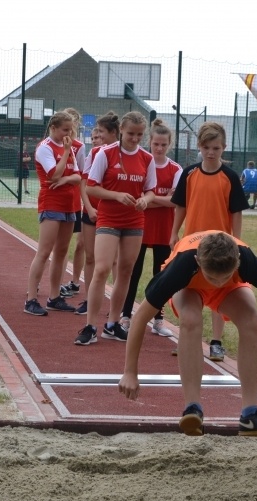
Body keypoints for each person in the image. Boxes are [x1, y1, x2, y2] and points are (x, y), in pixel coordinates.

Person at [118, 231, 257, 436]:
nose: (218, 282)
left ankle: (250, 414)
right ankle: (192, 408)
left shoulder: (247, 260)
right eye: (213, 278)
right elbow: (140, 318)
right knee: (191, 319)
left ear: (237, 262)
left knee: (253, 320)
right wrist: (130, 372)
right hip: (189, 286)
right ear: (199, 262)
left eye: (225, 276)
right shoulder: (182, 265)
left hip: (230, 289)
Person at [75, 111, 156, 345]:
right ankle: (90, 325)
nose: (135, 138)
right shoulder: (105, 154)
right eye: (131, 133)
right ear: (121, 130)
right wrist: (117, 195)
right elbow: (91, 187)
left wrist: (146, 200)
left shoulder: (146, 158)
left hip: (134, 221)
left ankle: (112, 324)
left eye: (140, 135)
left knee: (125, 270)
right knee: (101, 269)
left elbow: (150, 189)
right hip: (109, 218)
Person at [170, 122, 249, 362]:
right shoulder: (189, 174)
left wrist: (237, 241)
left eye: (216, 147)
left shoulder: (230, 177)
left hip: (221, 245)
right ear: (199, 147)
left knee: (219, 289)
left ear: (224, 148)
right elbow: (181, 206)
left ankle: (216, 342)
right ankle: (189, 338)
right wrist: (175, 233)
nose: (211, 152)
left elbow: (236, 211)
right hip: (192, 243)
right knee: (190, 289)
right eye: (206, 147)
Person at [120, 119, 182, 337]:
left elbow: (175, 201)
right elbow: (140, 195)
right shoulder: (142, 163)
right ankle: (125, 316)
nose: (159, 148)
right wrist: (158, 198)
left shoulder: (176, 169)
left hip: (164, 229)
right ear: (150, 141)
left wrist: (151, 199)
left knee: (161, 276)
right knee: (133, 273)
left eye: (164, 145)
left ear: (169, 145)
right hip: (139, 226)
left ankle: (158, 319)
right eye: (156, 144)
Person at [24, 111, 82, 316]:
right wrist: (66, 153)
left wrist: (66, 180)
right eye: (65, 130)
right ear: (54, 128)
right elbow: (53, 174)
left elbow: (77, 176)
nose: (68, 134)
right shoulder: (45, 148)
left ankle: (54, 297)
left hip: (69, 204)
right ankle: (31, 298)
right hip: (51, 203)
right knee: (45, 251)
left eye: (71, 130)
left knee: (61, 252)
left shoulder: (69, 148)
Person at [74, 113, 120, 316]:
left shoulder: (126, 154)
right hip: (92, 212)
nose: (97, 135)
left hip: (114, 214)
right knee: (91, 256)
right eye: (97, 132)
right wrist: (89, 208)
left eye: (101, 132)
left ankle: (116, 306)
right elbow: (84, 184)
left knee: (115, 261)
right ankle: (88, 298)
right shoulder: (95, 153)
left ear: (113, 133)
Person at [59, 108, 86, 300]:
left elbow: (81, 176)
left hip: (75, 202)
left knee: (77, 245)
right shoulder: (50, 145)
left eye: (73, 122)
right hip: (56, 202)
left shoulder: (78, 146)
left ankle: (74, 281)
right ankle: (55, 284)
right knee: (56, 247)